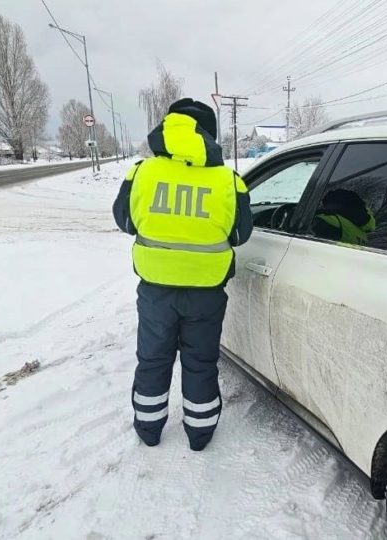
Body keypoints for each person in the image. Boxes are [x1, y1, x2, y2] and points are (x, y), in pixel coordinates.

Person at [113, 98, 253, 451]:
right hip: (206, 292)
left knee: (153, 358)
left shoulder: (141, 172)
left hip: (156, 290)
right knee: (200, 362)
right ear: (210, 134)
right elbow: (240, 234)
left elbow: (124, 221)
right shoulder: (228, 180)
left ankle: (148, 429)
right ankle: (200, 433)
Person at [312, 188, 376, 245]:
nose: (325, 208)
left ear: (338, 205)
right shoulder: (363, 233)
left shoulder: (330, 221)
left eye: (327, 204)